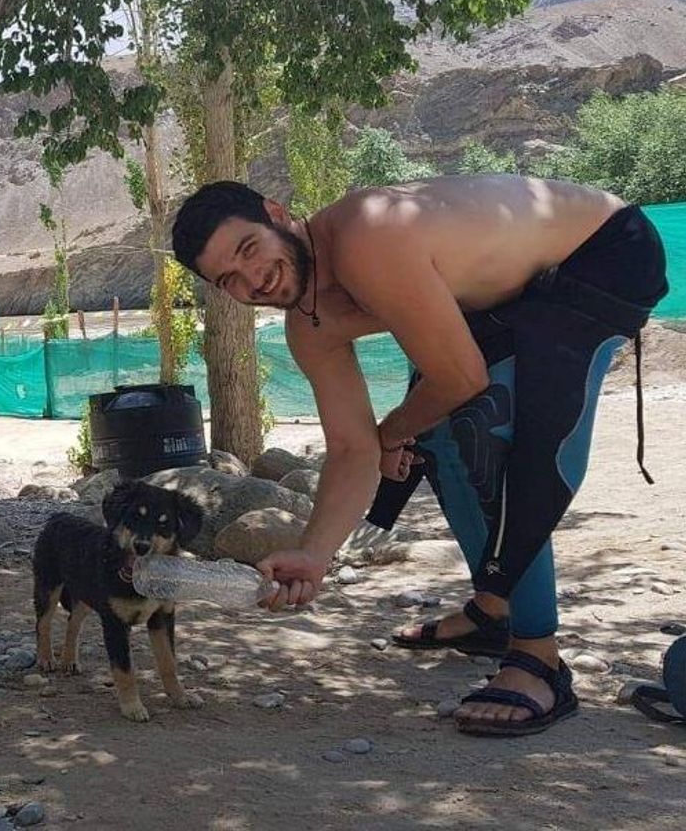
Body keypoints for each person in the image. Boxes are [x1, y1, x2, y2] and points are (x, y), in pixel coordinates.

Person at [172, 174, 667, 736]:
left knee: (487, 430)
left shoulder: (367, 238)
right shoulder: (309, 324)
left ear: (278, 213)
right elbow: (352, 448)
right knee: (438, 435)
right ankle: (496, 608)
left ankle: (540, 660)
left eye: (249, 249)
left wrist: (392, 432)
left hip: (601, 253)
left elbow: (460, 379)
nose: (253, 279)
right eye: (229, 279)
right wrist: (313, 554)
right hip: (512, 293)